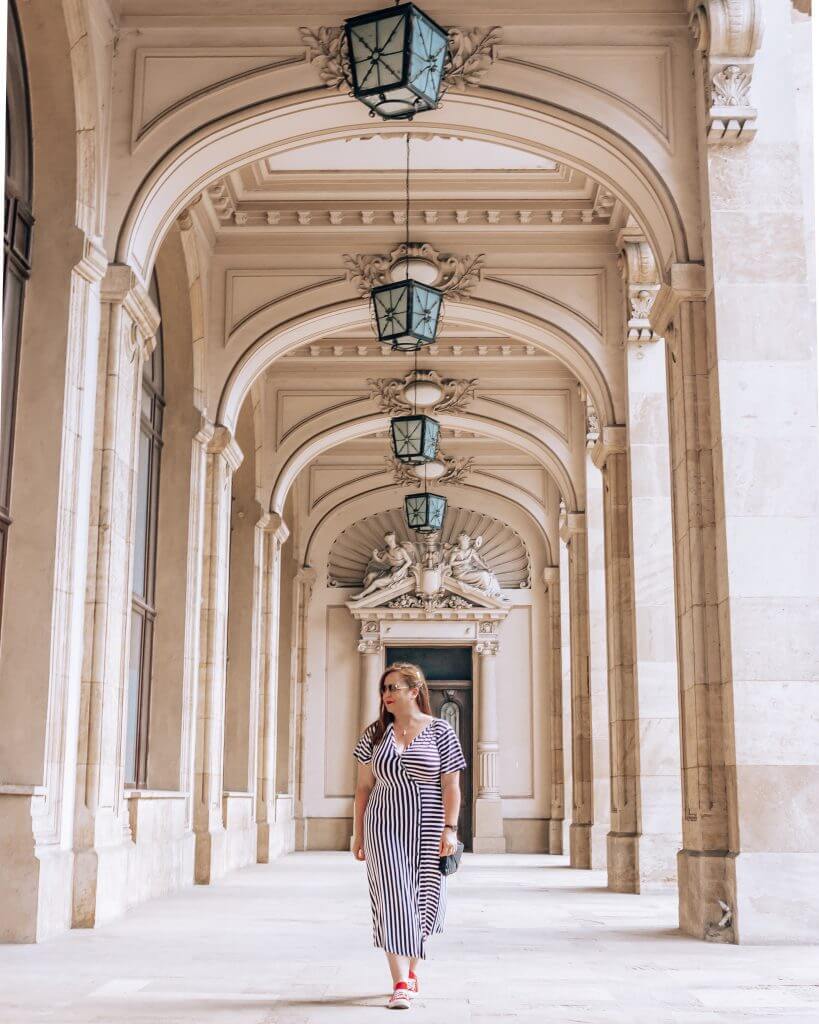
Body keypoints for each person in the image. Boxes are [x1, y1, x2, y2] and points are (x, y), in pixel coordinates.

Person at [352, 662, 467, 1010]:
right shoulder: (373, 734)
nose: (386, 695)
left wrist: (450, 828)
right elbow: (362, 788)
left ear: (414, 691)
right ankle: (400, 981)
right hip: (383, 825)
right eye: (384, 689)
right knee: (393, 898)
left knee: (426, 901)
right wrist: (357, 835)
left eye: (393, 688)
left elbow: (451, 786)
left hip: (429, 825)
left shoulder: (441, 731)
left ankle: (412, 969)